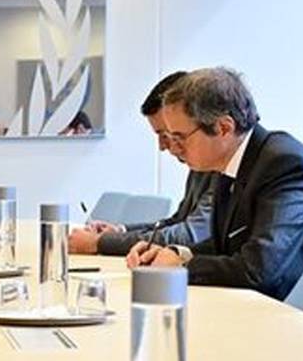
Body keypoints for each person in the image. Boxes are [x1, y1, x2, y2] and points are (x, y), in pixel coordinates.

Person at [127, 67, 303, 300]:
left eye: (179, 137)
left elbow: (258, 269)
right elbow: (227, 246)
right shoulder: (229, 162)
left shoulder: (285, 164)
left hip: (294, 310)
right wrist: (174, 254)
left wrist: (181, 267)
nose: (172, 148)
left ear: (224, 128)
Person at [70, 72, 216, 256]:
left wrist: (99, 243)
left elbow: (189, 234)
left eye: (170, 134)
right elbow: (178, 221)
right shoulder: (201, 165)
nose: (162, 146)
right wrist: (120, 231)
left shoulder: (222, 168)